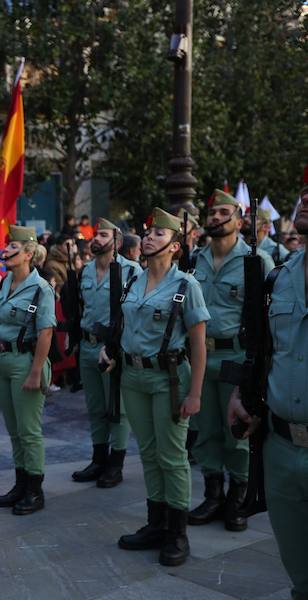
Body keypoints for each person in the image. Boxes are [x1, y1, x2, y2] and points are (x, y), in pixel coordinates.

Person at [103, 207, 209, 567]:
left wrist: (195, 393)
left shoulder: (186, 286)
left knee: (172, 457)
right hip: (133, 376)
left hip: (169, 380)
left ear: (175, 246)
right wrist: (114, 353)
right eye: (148, 233)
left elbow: (198, 345)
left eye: (159, 234)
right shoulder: (133, 279)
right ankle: (156, 524)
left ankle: (177, 532)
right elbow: (127, 328)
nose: (149, 237)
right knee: (148, 454)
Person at [228, 187, 308, 600]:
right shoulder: (279, 276)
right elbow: (268, 351)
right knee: (299, 572)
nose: (305, 196)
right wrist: (245, 392)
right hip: (279, 445)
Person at [188, 191, 275, 532]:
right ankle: (213, 493)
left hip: (235, 355)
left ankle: (239, 496)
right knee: (204, 429)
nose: (214, 217)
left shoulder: (257, 261)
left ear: (239, 221)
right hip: (200, 355)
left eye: (223, 212)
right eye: (211, 212)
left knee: (235, 430)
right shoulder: (196, 259)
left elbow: (265, 321)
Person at [0, 226, 55, 516]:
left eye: (14, 246)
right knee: (14, 429)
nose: (7, 250)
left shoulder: (40, 288)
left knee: (29, 431)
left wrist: (36, 371)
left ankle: (34, 489)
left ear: (28, 253)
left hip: (26, 361)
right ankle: (20, 482)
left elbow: (45, 333)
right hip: (3, 359)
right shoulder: (5, 283)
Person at [73, 219, 142, 487]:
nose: (97, 239)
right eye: (96, 234)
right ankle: (98, 457)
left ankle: (116, 462)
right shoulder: (86, 271)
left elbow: (134, 316)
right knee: (95, 406)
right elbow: (82, 308)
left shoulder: (132, 271)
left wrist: (115, 345)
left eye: (103, 235)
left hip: (113, 348)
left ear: (117, 242)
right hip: (88, 345)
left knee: (117, 407)